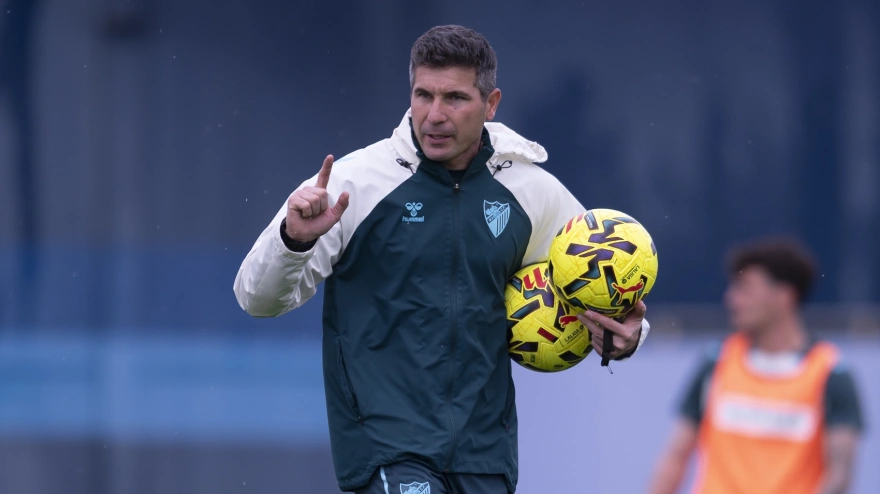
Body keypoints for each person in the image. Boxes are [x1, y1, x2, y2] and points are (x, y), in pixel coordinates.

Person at [234, 25, 650, 494]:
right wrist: (293, 240)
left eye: (454, 98)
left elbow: (600, 283)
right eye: (423, 95)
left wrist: (626, 335)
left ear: (491, 104)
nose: (434, 115)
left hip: (484, 452)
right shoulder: (352, 184)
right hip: (386, 443)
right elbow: (256, 298)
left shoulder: (531, 190)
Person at [649, 237, 864, 494]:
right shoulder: (717, 362)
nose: (731, 299)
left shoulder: (830, 373)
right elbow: (675, 458)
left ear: (784, 296)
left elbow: (839, 476)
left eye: (745, 288)